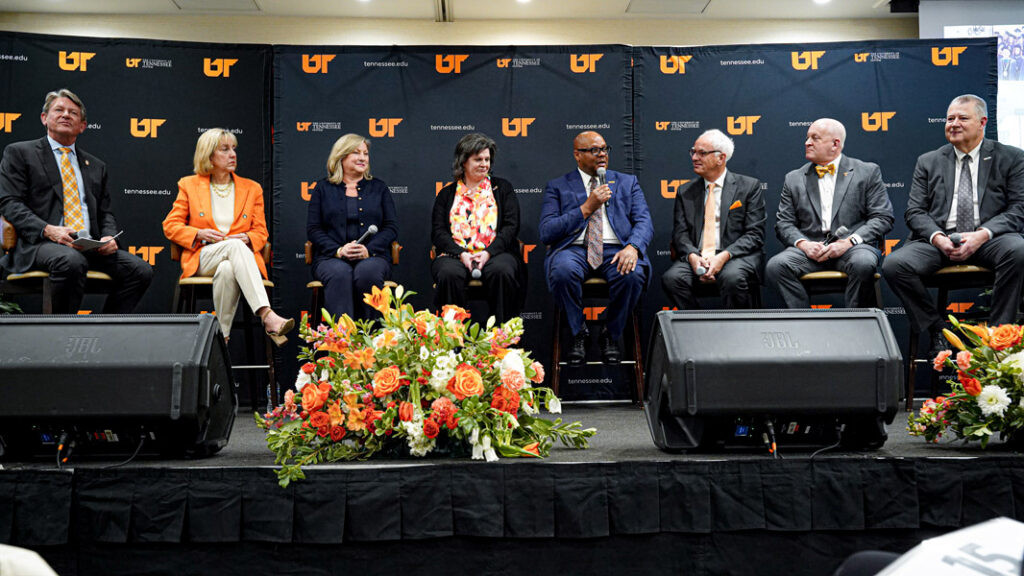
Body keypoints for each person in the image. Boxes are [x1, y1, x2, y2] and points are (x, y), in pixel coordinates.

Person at [883, 94, 1024, 351]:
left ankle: (998, 338)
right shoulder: (929, 161)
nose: (954, 124)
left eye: (962, 118)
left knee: (1018, 250)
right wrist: (938, 238)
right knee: (894, 264)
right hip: (941, 239)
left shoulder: (1011, 157)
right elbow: (915, 212)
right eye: (950, 119)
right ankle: (939, 329)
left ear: (982, 122)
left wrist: (982, 235)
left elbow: (1018, 209)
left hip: (989, 240)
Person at [0, 88, 152, 314]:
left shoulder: (96, 165)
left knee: (140, 271)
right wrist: (48, 230)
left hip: (89, 246)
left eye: (73, 112)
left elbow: (105, 212)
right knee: (70, 261)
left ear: (82, 126)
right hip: (39, 244)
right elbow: (9, 203)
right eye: (58, 110)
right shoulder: (21, 153)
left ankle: (101, 333)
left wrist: (109, 237)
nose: (65, 115)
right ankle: (62, 336)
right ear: (44, 118)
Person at [163, 128, 293, 345]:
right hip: (204, 257)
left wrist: (248, 239)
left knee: (227, 269)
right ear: (208, 155)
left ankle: (221, 340)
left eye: (234, 149)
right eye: (225, 149)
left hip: (239, 261)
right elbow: (171, 225)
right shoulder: (188, 185)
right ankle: (267, 315)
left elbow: (261, 232)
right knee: (232, 247)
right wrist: (197, 233)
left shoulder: (252, 189)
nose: (233, 154)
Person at [539, 130, 653, 366]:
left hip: (616, 248)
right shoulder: (558, 186)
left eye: (604, 149)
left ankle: (610, 335)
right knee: (562, 272)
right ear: (577, 155)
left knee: (631, 274)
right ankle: (578, 331)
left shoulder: (627, 182)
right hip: (575, 249)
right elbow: (547, 231)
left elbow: (644, 221)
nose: (601, 154)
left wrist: (632, 247)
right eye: (593, 150)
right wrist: (586, 207)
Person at [765, 118, 893, 309]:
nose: (807, 143)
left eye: (814, 138)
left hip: (853, 248)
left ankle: (854, 328)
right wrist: (805, 245)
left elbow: (882, 217)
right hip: (810, 252)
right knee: (776, 266)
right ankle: (806, 327)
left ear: (835, 144)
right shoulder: (794, 178)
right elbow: (784, 224)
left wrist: (849, 242)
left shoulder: (866, 172)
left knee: (863, 263)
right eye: (807, 137)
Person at [662, 129, 765, 309]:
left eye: (702, 153)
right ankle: (698, 327)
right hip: (698, 255)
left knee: (732, 278)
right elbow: (680, 233)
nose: (694, 157)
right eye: (693, 152)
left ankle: (735, 333)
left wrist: (723, 256)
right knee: (672, 279)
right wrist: (693, 256)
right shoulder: (685, 191)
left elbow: (754, 234)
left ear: (721, 158)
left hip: (734, 256)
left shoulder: (749, 187)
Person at [431, 132, 522, 323]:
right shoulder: (447, 194)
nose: (484, 164)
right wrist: (461, 253)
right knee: (448, 273)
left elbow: (511, 227)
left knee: (502, 271)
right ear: (463, 162)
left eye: (487, 159)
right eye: (478, 159)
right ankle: (453, 344)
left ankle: (502, 341)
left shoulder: (502, 188)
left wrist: (488, 253)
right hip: (455, 255)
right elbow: (438, 233)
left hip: (496, 254)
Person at [307, 133, 397, 321]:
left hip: (374, 257)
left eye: (365, 153)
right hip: (330, 258)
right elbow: (314, 229)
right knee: (340, 273)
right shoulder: (322, 188)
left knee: (367, 273)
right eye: (356, 153)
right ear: (341, 156)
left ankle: (374, 343)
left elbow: (390, 228)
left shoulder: (379, 188)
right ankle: (341, 344)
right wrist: (338, 250)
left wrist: (368, 250)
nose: (363, 157)